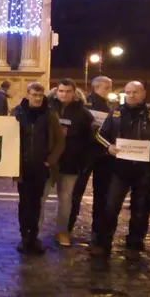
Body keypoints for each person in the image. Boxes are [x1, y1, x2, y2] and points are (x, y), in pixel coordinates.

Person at [91, 81, 150, 257]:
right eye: (128, 92)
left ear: (143, 93)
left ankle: (135, 244)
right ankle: (104, 243)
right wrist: (108, 147)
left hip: (146, 169)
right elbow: (99, 134)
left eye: (136, 92)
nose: (132, 95)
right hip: (120, 168)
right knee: (111, 206)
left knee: (140, 208)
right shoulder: (116, 113)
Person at [11, 82, 65, 255]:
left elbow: (60, 140)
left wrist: (51, 160)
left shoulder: (49, 114)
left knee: (36, 203)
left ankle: (33, 236)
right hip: (23, 166)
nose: (37, 98)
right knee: (24, 202)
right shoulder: (17, 113)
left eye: (40, 95)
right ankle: (24, 236)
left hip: (41, 167)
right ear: (27, 95)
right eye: (34, 95)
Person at [47, 78, 93, 247]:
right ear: (56, 92)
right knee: (41, 197)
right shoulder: (47, 108)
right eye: (61, 91)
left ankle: (62, 231)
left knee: (66, 200)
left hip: (70, 162)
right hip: (48, 161)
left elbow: (89, 140)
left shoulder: (83, 113)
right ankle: (34, 232)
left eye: (68, 91)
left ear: (74, 93)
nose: (64, 94)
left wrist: (83, 161)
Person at [68, 76, 114, 242]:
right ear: (97, 87)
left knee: (100, 193)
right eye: (107, 87)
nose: (109, 90)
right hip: (88, 153)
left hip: (102, 155)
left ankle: (97, 228)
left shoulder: (111, 106)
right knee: (77, 192)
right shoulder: (85, 104)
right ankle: (69, 226)